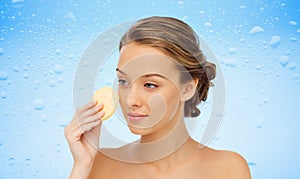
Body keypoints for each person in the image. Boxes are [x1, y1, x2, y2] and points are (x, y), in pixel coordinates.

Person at [65, 16, 251, 178]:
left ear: (187, 88)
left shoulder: (228, 169)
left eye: (150, 85)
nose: (131, 101)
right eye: (123, 81)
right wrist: (82, 167)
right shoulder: (100, 164)